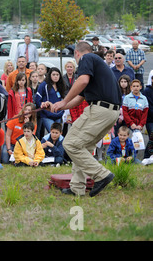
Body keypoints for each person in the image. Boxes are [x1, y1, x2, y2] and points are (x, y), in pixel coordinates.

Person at [48, 41, 121, 197]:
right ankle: (77, 188)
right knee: (83, 146)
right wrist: (60, 105)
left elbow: (82, 81)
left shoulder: (87, 58)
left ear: (77, 53)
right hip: (110, 112)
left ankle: (101, 175)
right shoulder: (97, 66)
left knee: (70, 143)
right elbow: (80, 97)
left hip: (100, 110)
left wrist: (63, 100)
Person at [35, 67, 65, 137]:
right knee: (53, 134)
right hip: (47, 115)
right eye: (53, 74)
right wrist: (42, 104)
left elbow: (63, 98)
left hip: (59, 114)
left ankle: (55, 148)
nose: (55, 76)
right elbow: (37, 99)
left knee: (58, 135)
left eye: (57, 75)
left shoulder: (61, 85)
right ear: (49, 75)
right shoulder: (43, 85)